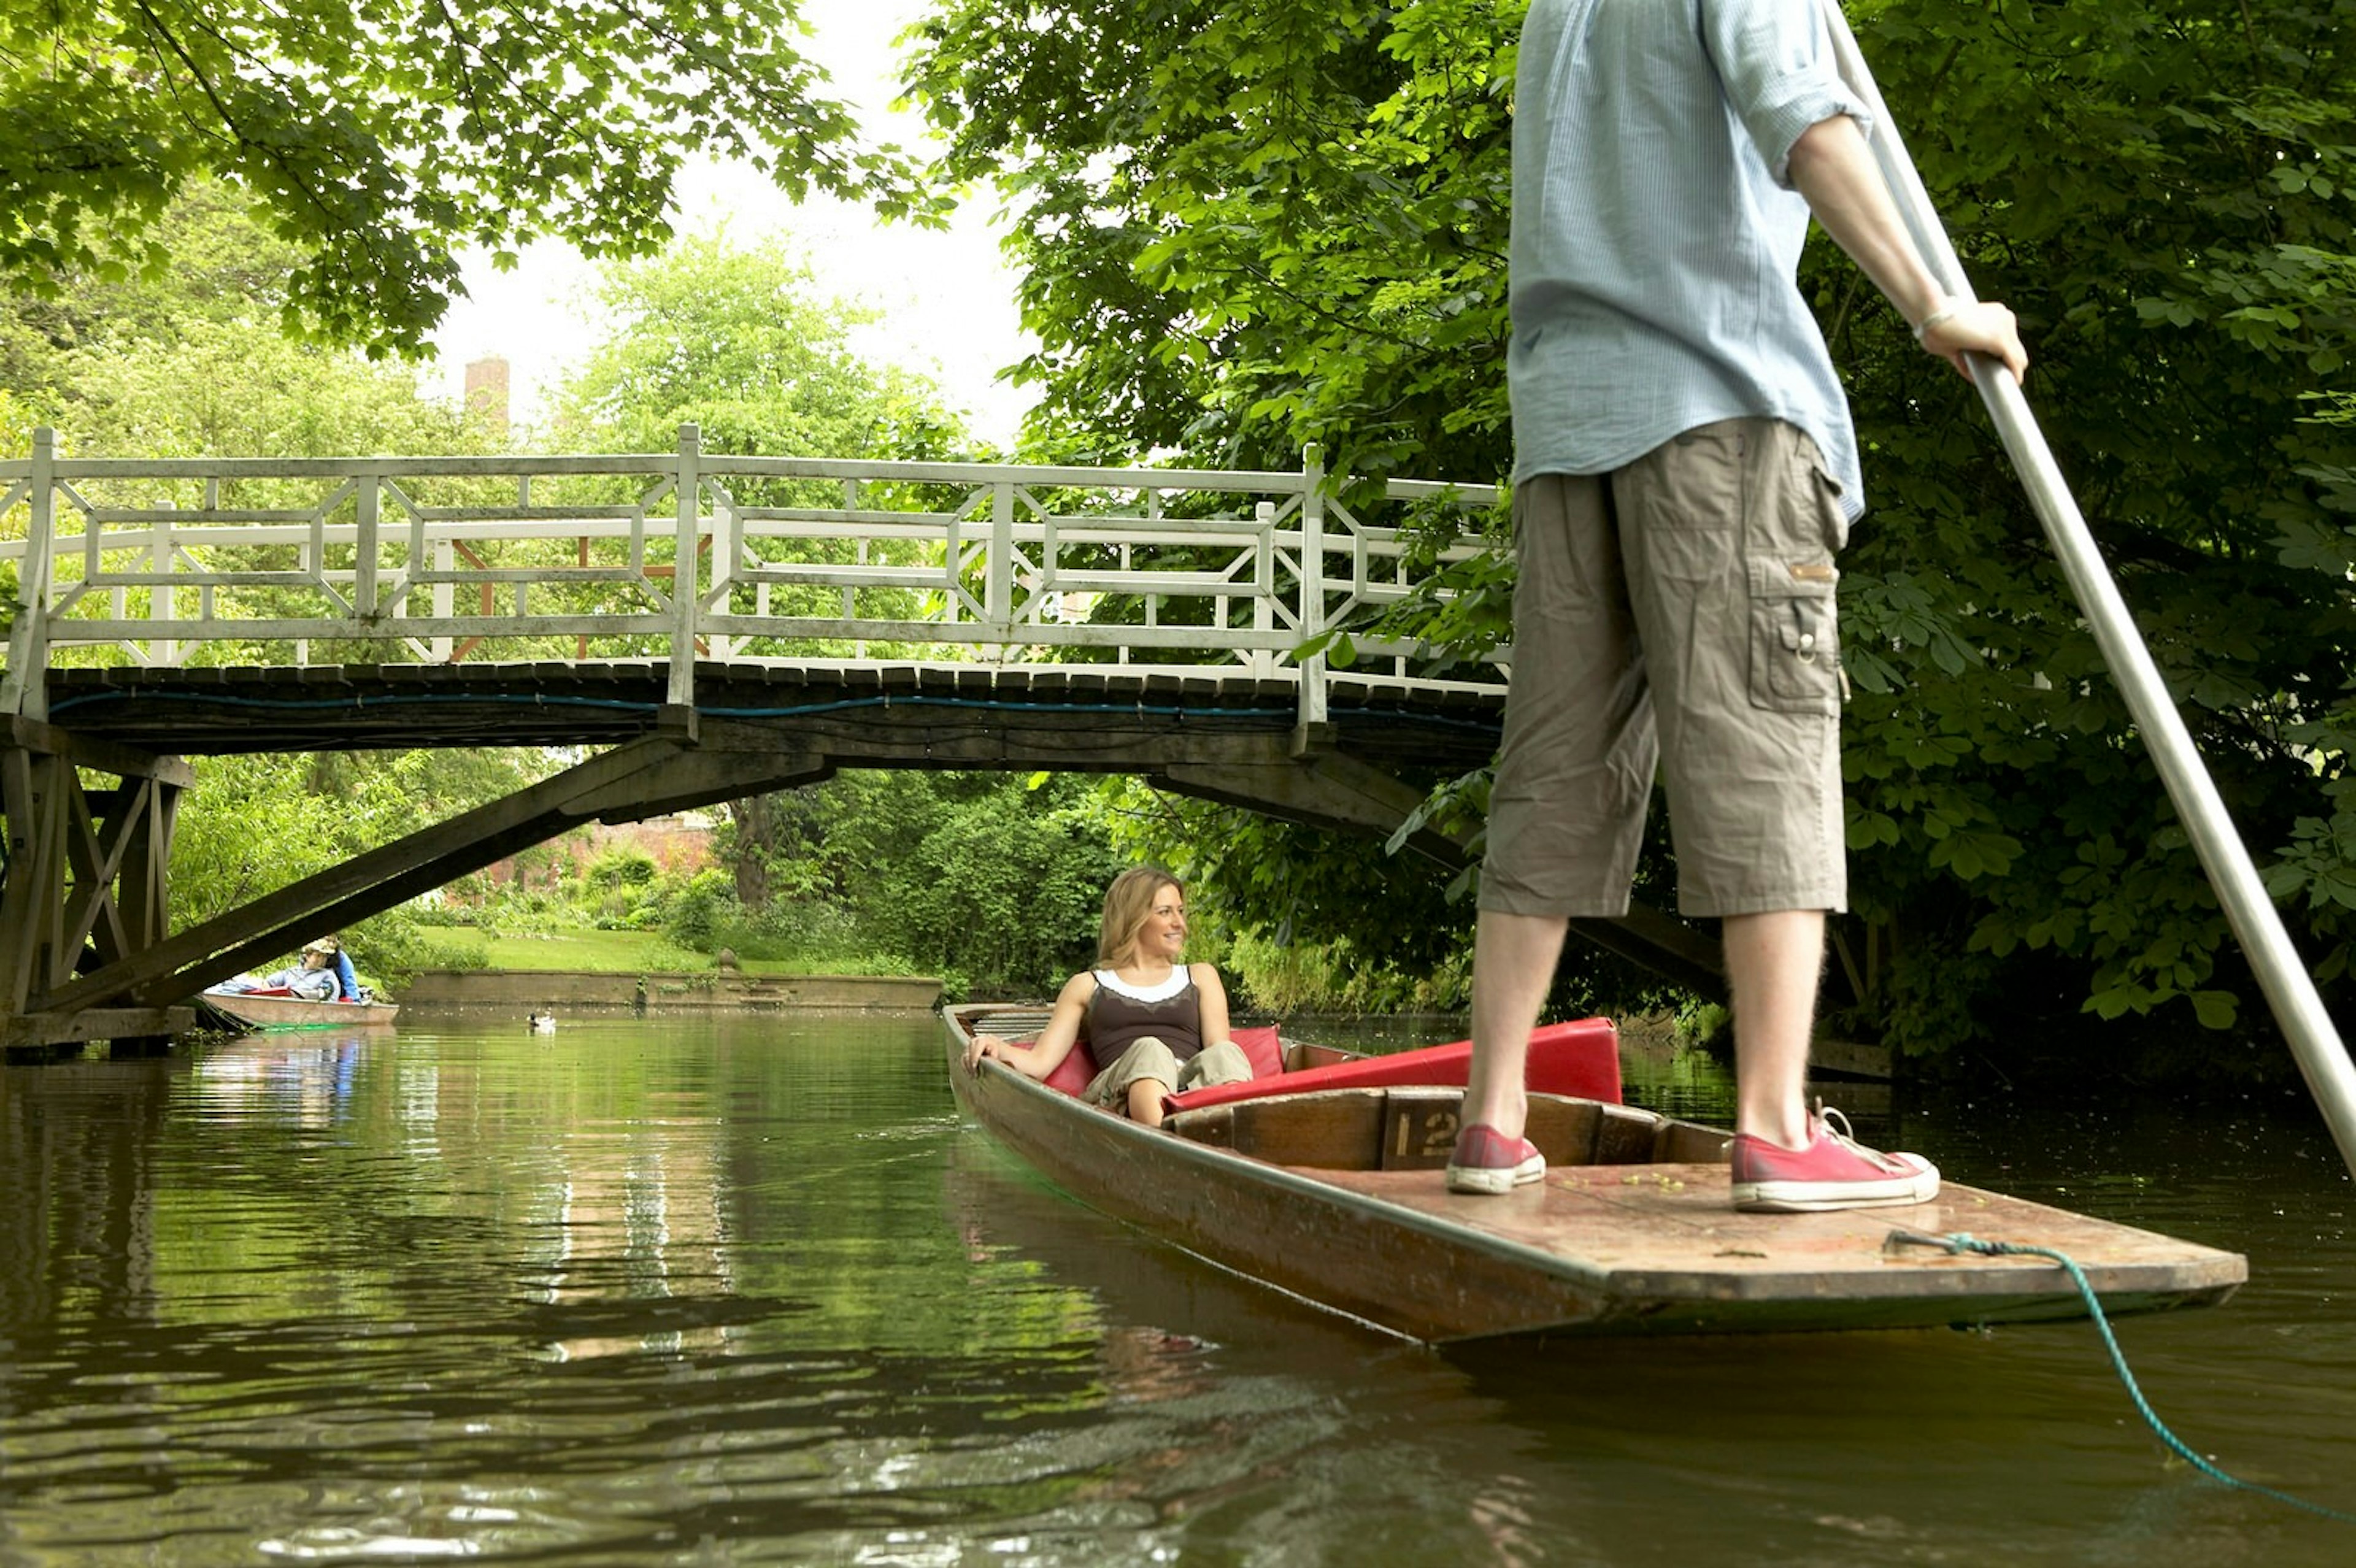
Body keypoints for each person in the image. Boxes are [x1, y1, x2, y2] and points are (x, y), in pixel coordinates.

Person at [1447, 0, 2030, 1212]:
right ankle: (1773, 1126)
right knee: (1764, 743)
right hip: (1720, 403)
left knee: (1555, 763)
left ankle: (1491, 1118)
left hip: (1568, 423)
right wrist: (1936, 303)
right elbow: (1809, 128)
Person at [964, 866, 1252, 1128]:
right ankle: (1170, 1144)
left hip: (1188, 1093)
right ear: (1134, 918)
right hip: (1120, 1097)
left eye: (1180, 911)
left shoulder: (1201, 976)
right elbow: (1040, 1064)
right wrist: (996, 1046)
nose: (1180, 923)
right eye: (1165, 912)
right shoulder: (1088, 985)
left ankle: (1240, 1142)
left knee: (1226, 1053)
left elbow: (1217, 1059)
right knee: (1150, 1050)